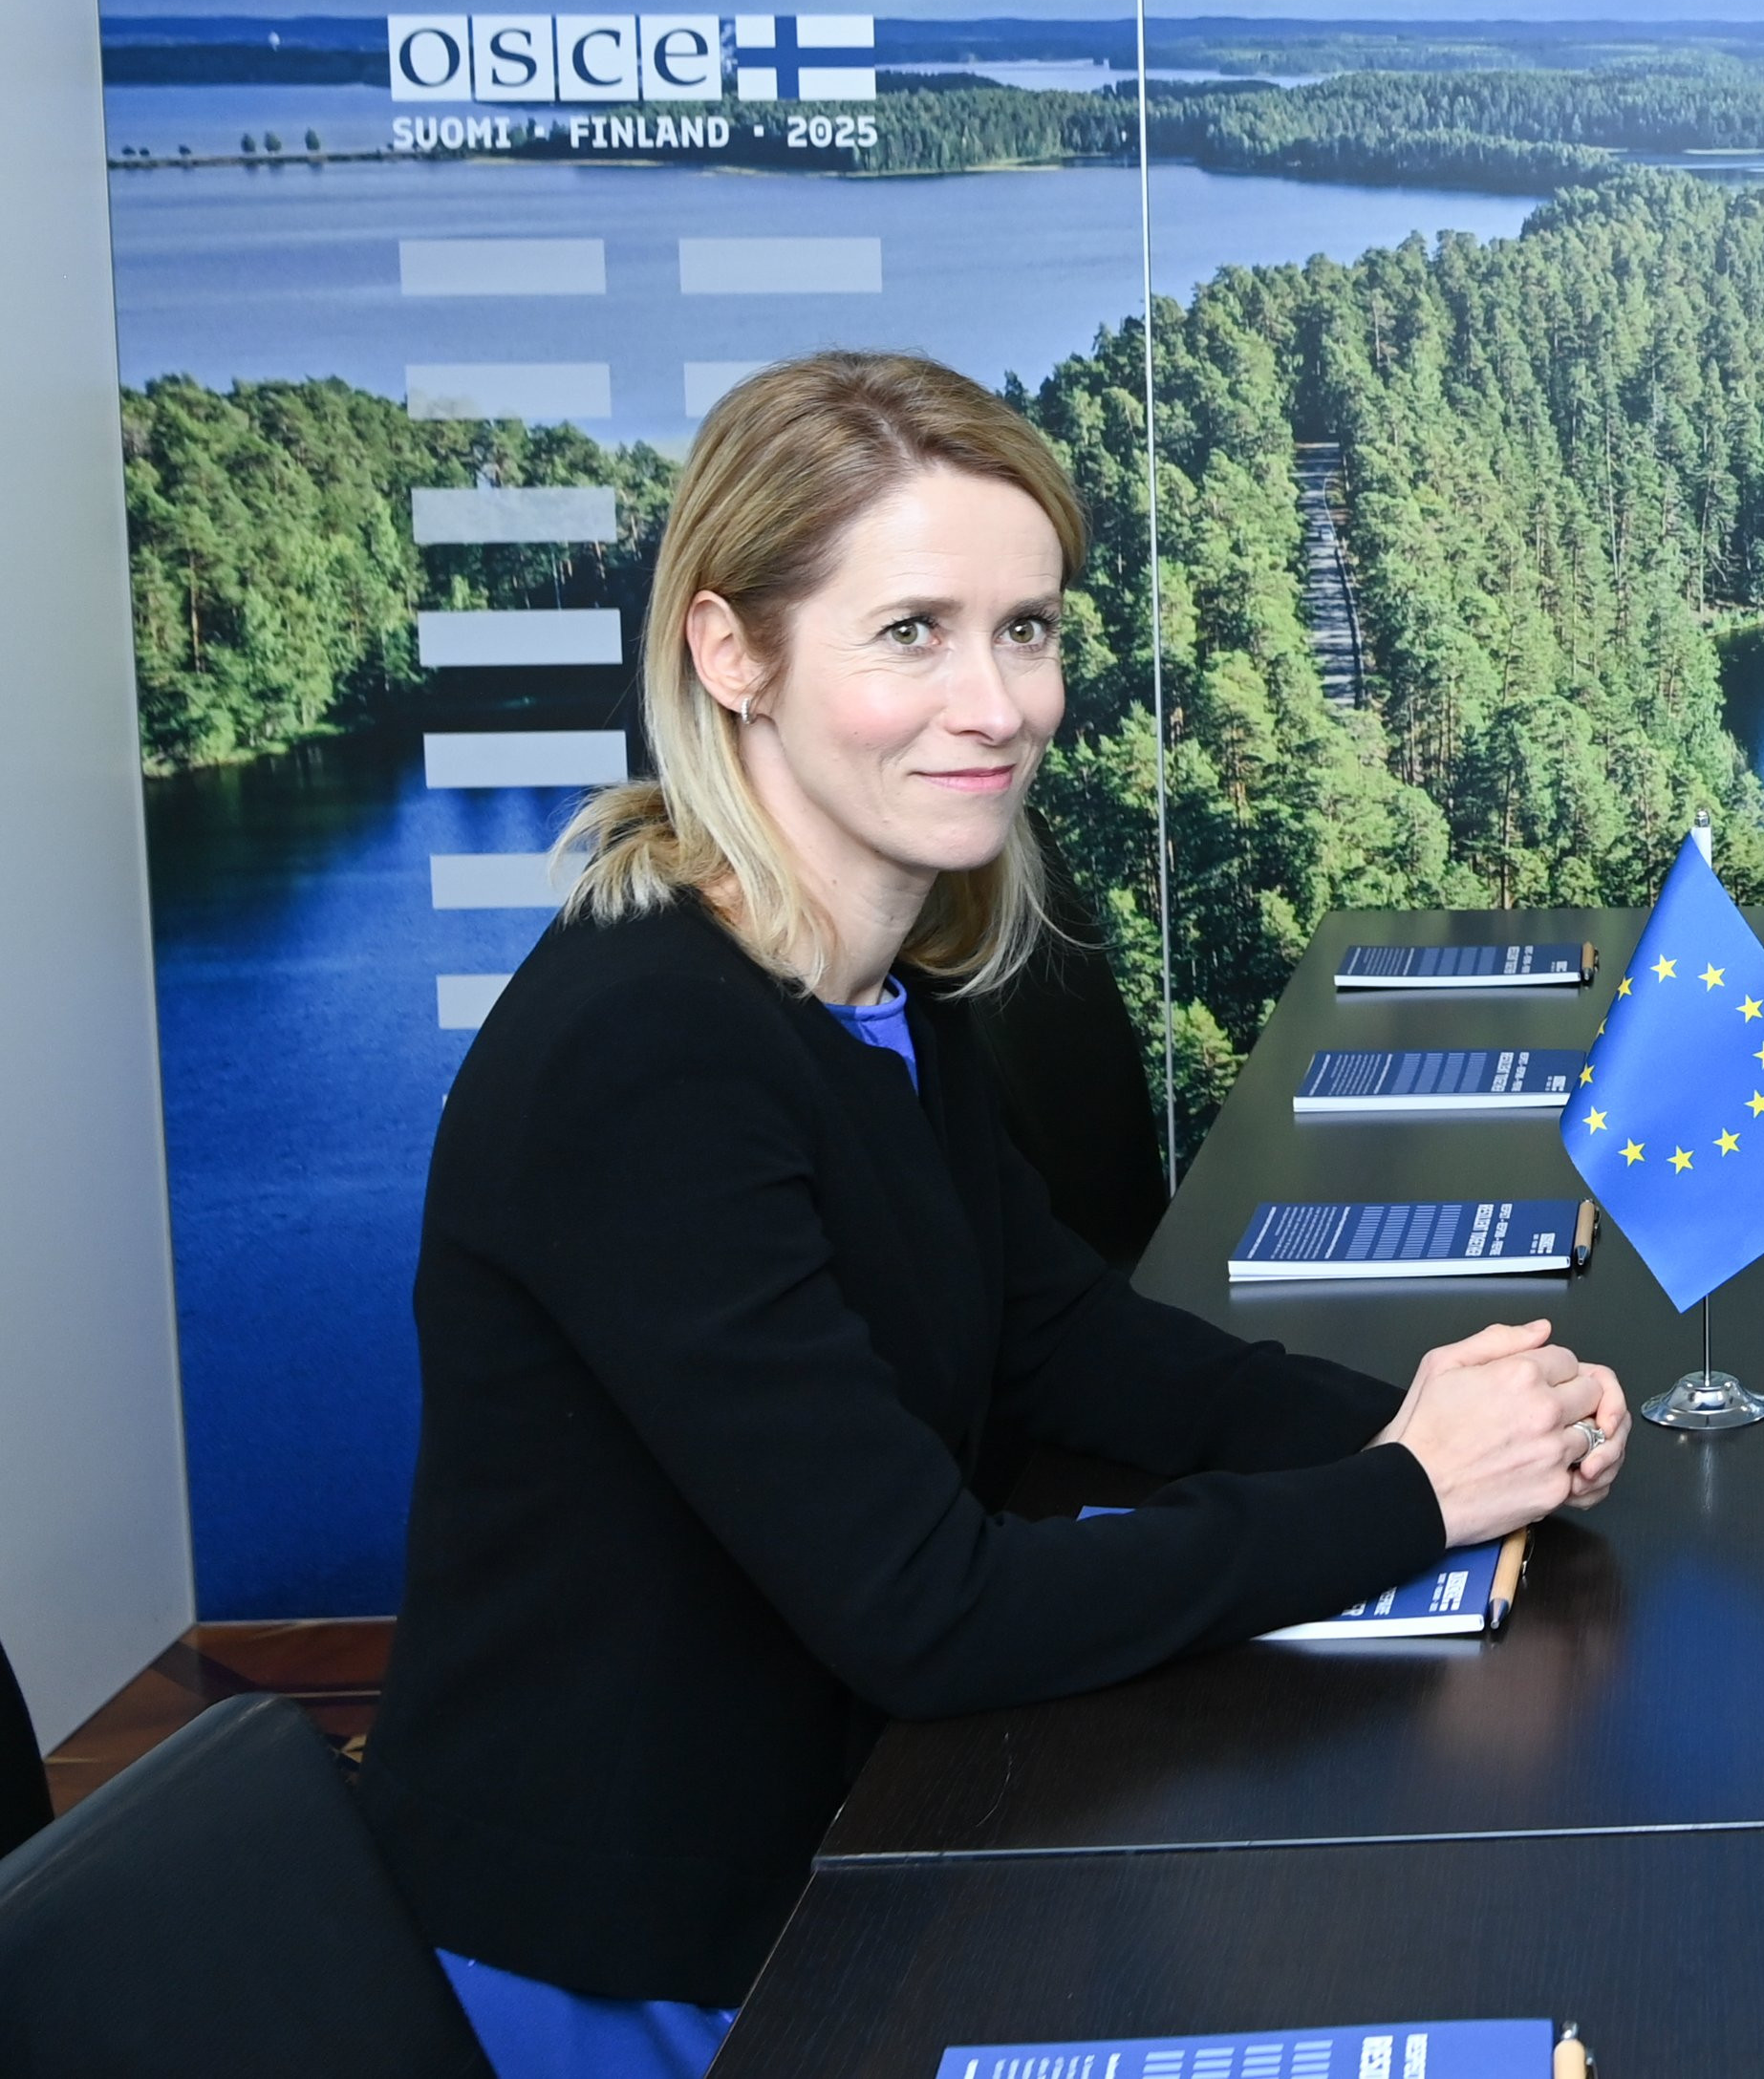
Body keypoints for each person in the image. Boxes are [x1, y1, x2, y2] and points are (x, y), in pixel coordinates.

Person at [358, 354, 1632, 2076]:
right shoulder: (646, 1053)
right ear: (731, 652)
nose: (999, 704)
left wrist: (1449, 1423)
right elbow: (931, 1609)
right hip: (663, 1948)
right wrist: (1407, 1495)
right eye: (913, 633)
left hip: (856, 1828)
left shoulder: (872, 980)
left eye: (1025, 629)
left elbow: (1060, 1336)